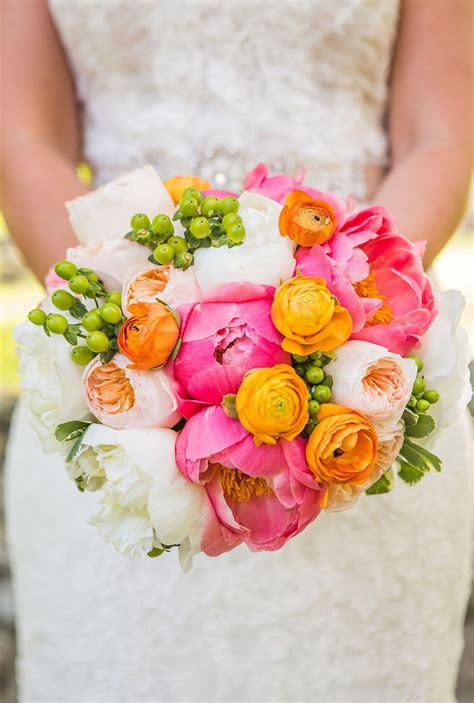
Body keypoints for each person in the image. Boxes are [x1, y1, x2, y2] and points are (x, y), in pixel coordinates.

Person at [1, 1, 472, 701]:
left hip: (357, 385)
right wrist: (137, 335)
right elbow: (23, 134)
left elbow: (437, 136)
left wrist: (348, 323)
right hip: (117, 389)